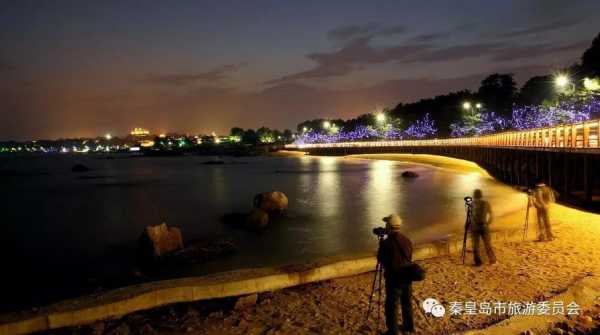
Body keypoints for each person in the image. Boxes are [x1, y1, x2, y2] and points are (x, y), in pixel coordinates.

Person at [377, 214, 414, 335]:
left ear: (389, 226)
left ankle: (393, 331)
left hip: (394, 279)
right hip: (407, 277)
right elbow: (409, 257)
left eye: (386, 224)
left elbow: (381, 259)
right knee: (406, 302)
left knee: (392, 306)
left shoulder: (387, 243)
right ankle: (408, 326)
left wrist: (381, 243)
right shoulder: (407, 240)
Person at [470, 189, 497, 266]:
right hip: (484, 226)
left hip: (475, 227)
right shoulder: (486, 203)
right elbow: (491, 215)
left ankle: (478, 262)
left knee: (475, 245)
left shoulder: (472, 204)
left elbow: (470, 217)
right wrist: (488, 223)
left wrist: (471, 226)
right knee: (487, 244)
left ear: (474, 195)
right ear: (481, 195)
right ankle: (493, 260)